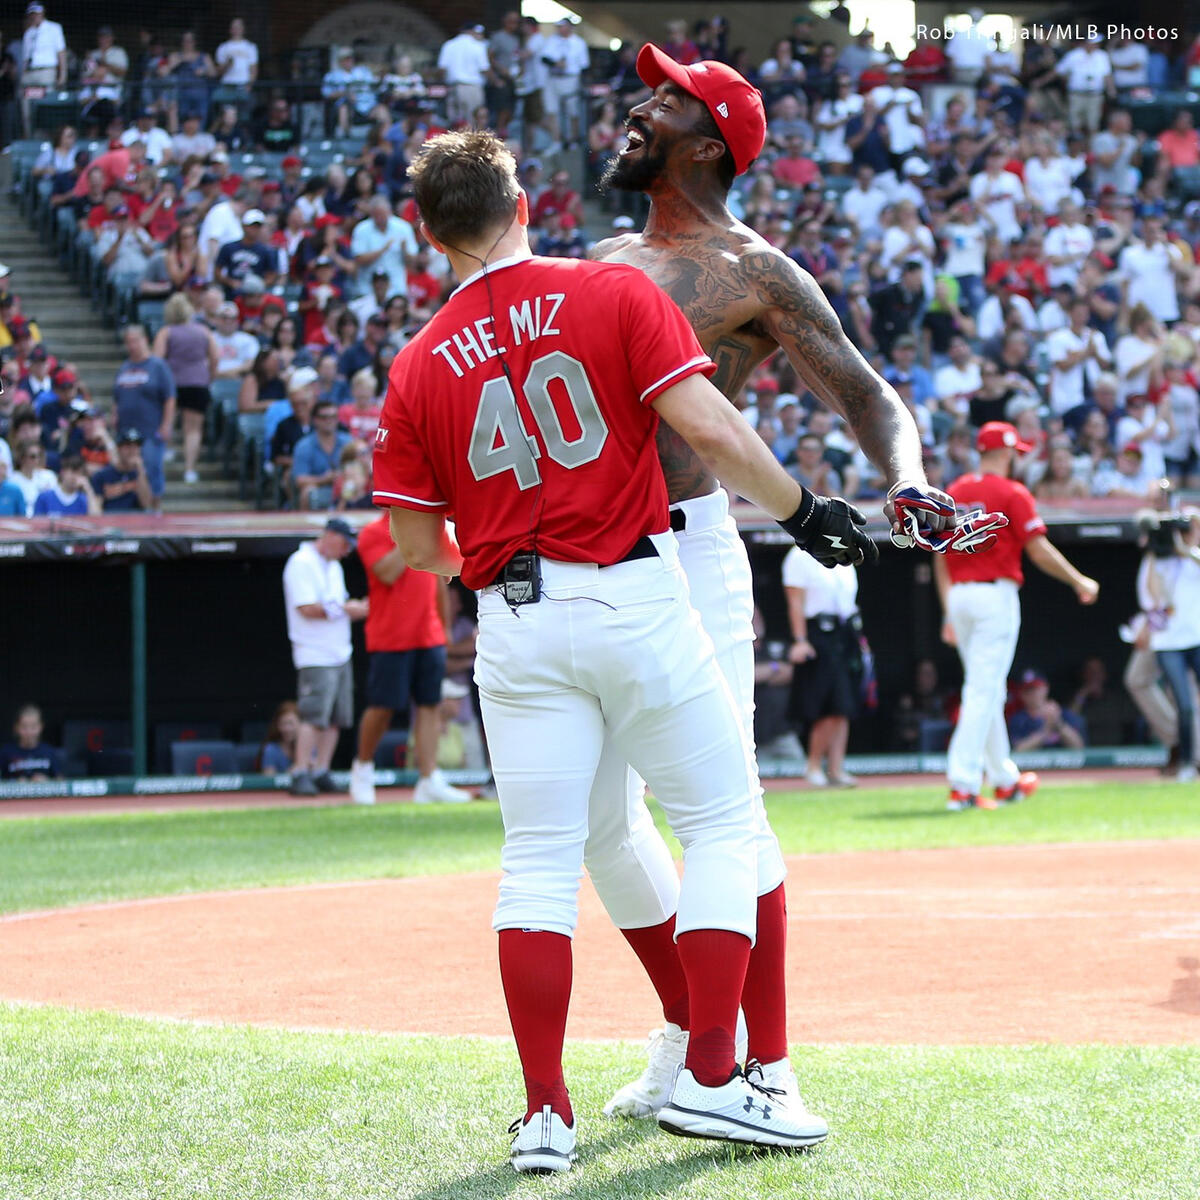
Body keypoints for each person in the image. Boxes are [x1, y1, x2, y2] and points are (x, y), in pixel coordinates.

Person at [375, 130, 884, 1170]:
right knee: (724, 822)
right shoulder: (607, 291)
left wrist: (511, 558)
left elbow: (419, 543)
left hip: (513, 621)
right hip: (632, 590)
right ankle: (713, 1077)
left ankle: (545, 1117)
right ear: (521, 201)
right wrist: (806, 512)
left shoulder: (419, 359)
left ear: (425, 230)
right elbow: (716, 433)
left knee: (537, 862)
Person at [590, 44, 978, 1126]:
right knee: (601, 827)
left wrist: (905, 481)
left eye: (661, 99)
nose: (635, 107)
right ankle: (687, 1031)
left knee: (726, 811)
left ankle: (768, 1065)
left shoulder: (755, 269)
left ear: (709, 140)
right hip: (587, 551)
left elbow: (866, 391)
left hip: (690, 540)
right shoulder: (606, 252)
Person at [934, 422, 1100, 810]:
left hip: (959, 595)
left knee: (987, 688)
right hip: (994, 597)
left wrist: (947, 610)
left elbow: (939, 554)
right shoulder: (1011, 491)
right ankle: (963, 784)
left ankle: (1005, 780)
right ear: (1006, 452)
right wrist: (1079, 580)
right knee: (982, 689)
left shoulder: (954, 492)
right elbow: (1039, 550)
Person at [347, 513, 473, 808]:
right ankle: (362, 769)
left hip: (427, 635)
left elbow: (441, 581)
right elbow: (386, 572)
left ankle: (429, 779)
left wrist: (443, 629)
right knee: (383, 707)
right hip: (391, 635)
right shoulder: (372, 533)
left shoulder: (429, 527)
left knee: (430, 705)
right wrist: (410, 536)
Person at [281, 518, 368, 796]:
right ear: (329, 536)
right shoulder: (301, 562)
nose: (345, 551)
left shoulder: (334, 566)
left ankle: (321, 769)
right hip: (314, 652)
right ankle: (300, 770)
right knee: (313, 715)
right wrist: (348, 609)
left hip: (340, 651)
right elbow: (306, 608)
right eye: (343, 544)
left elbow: (334, 604)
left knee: (336, 717)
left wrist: (347, 608)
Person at [782, 544, 863, 787]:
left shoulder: (845, 552)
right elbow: (795, 603)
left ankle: (836, 768)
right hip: (818, 633)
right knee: (828, 703)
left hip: (845, 632)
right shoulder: (799, 556)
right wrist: (800, 640)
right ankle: (814, 765)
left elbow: (849, 601)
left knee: (844, 704)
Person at [1143, 509, 1200, 782]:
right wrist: (1158, 549)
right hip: (1169, 643)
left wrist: (1184, 548)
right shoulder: (1157, 559)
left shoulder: (1193, 557)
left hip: (1196, 638)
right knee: (1185, 705)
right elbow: (1153, 596)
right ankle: (1187, 763)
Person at [153, 293, 216, 484]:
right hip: (198, 382)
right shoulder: (204, 331)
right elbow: (215, 357)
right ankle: (190, 469)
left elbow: (157, 359)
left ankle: (168, 450)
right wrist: (209, 377)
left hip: (173, 383)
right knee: (194, 429)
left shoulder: (166, 332)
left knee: (168, 418)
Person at [113, 323, 175, 508]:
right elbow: (117, 396)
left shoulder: (158, 366)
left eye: (135, 341)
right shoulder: (124, 367)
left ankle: (155, 510)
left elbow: (170, 398)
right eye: (128, 342)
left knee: (152, 468)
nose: (132, 345)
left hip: (150, 430)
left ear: (145, 340)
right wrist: (114, 415)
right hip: (125, 431)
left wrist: (167, 424)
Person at [1008, 670, 1087, 750]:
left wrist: (1058, 723)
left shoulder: (1065, 714)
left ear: (1046, 688)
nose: (1032, 693)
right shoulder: (1018, 720)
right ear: (1021, 694)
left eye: (1036, 688)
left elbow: (1079, 747)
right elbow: (1018, 750)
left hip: (1064, 762)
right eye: (1027, 690)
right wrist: (1045, 730)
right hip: (1035, 762)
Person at [91, 429, 153, 511]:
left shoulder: (142, 475)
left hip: (136, 520)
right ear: (118, 448)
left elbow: (146, 504)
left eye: (136, 446)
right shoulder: (102, 475)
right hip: (109, 520)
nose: (132, 451)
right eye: (128, 446)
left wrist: (140, 469)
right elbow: (96, 509)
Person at [0, 703, 62, 780]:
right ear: (16, 727)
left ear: (41, 727)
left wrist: (47, 781)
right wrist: (14, 782)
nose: (29, 732)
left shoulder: (49, 752)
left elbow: (61, 782)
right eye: (24, 727)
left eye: (33, 727)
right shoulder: (6, 752)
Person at [32, 454, 98, 515]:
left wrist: (89, 491)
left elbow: (96, 519)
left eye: (79, 474)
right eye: (73, 472)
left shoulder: (84, 500)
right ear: (63, 472)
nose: (75, 477)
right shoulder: (45, 497)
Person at [257, 700, 299, 772]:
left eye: (290, 723)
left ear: (301, 724)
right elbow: (269, 780)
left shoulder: (310, 748)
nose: (287, 729)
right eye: (283, 724)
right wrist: (291, 773)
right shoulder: (271, 750)